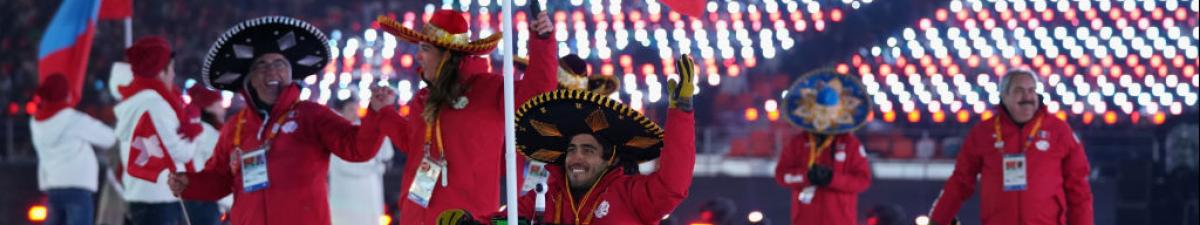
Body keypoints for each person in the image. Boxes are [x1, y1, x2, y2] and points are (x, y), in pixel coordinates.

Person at [168, 16, 395, 225]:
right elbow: (220, 179)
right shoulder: (235, 127)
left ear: (290, 74)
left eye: (280, 64)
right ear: (250, 80)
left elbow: (357, 148)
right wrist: (189, 183)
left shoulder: (312, 115)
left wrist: (376, 113)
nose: (272, 72)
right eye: (262, 65)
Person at [441, 54, 700, 225]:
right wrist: (469, 223)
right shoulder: (545, 196)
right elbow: (505, 222)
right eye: (572, 149)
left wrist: (682, 113)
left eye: (588, 150)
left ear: (608, 157)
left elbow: (673, 186)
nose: (576, 157)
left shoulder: (631, 195)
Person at [373, 9, 558, 224]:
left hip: (468, 219)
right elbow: (412, 142)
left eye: (425, 48)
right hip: (416, 217)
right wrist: (384, 112)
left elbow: (538, 95)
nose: (418, 56)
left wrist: (542, 42)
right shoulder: (423, 98)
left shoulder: (489, 89)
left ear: (447, 55)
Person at [928, 70, 1094, 225]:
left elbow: (1079, 190)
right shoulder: (983, 133)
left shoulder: (1059, 131)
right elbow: (960, 181)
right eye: (1019, 91)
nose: (1027, 96)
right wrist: (937, 220)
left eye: (1031, 90)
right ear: (1004, 96)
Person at [112, 36, 200, 225]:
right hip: (160, 199)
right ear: (161, 70)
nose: (174, 75)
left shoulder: (132, 101)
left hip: (138, 195)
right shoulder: (156, 105)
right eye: (172, 69)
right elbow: (179, 152)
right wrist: (193, 130)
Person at [773, 70, 873, 225]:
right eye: (820, 111)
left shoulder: (850, 145)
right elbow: (782, 175)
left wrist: (832, 179)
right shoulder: (797, 143)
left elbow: (862, 181)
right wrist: (806, 177)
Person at [30, 74, 118, 225]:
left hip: (52, 187)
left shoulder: (35, 122)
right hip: (77, 188)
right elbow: (109, 138)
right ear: (66, 94)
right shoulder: (74, 119)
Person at [327, 95, 395, 225]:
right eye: (350, 109)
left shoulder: (366, 129)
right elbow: (343, 166)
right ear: (340, 111)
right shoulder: (333, 132)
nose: (354, 113)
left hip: (369, 194)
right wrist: (377, 167)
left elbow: (387, 154)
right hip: (344, 196)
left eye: (355, 109)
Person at [182, 84, 232, 225]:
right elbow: (215, 172)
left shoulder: (196, 130)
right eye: (219, 104)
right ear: (208, 107)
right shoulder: (208, 134)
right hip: (204, 200)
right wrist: (231, 202)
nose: (223, 108)